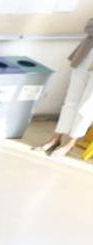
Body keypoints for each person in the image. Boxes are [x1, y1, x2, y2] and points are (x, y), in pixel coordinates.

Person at [34, 18, 93, 157]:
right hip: (86, 56)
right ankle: (56, 138)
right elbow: (89, 26)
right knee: (71, 100)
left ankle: (71, 143)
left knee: (87, 106)